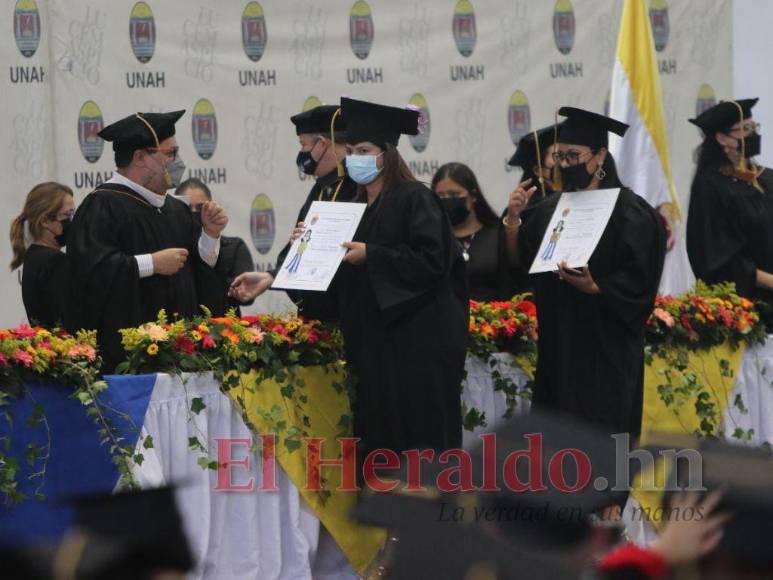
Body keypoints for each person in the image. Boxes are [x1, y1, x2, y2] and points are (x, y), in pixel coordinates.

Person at [233, 97, 468, 462]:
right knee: (381, 452)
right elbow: (336, 276)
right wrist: (293, 259)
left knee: (419, 452)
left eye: (364, 150)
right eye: (352, 149)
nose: (354, 157)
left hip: (416, 354)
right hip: (373, 353)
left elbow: (432, 262)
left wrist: (372, 255)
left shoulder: (414, 198)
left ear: (386, 153)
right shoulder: (353, 208)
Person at [505, 106, 666, 439]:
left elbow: (641, 280)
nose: (566, 164)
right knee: (558, 442)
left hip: (607, 348)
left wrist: (598, 287)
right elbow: (520, 260)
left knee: (603, 441)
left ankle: (608, 492)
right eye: (560, 157)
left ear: (600, 156)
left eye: (574, 155)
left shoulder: (632, 213)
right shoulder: (550, 208)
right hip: (560, 346)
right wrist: (514, 220)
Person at [66, 110, 228, 371]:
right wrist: (150, 264)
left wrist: (210, 235)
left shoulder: (177, 210)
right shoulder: (102, 206)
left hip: (182, 360)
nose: (177, 162)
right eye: (170, 154)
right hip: (130, 365)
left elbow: (199, 276)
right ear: (140, 157)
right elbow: (89, 275)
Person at [243, 105, 359, 321]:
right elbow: (300, 246)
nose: (302, 152)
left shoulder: (360, 187)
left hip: (352, 314)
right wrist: (270, 276)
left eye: (304, 144)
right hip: (320, 318)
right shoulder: (321, 188)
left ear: (322, 144)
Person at [686, 98, 773, 321]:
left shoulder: (766, 178)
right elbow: (719, 259)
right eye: (745, 129)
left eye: (754, 128)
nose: (753, 135)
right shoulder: (711, 188)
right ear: (722, 138)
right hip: (748, 309)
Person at [431, 162, 520, 301]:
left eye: (454, 194)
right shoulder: (432, 239)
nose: (447, 200)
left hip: (494, 318)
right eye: (440, 196)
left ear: (473, 196)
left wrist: (513, 219)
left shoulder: (497, 234)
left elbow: (516, 268)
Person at [175, 177, 255, 316]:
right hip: (179, 331)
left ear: (211, 207)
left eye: (201, 208)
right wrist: (227, 285)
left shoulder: (234, 247)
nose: (194, 213)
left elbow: (247, 295)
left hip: (226, 332)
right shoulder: (170, 250)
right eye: (187, 208)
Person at [9, 182, 75, 327]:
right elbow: (66, 316)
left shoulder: (34, 254)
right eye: (67, 214)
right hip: (64, 346)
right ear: (45, 220)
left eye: (73, 213)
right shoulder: (54, 260)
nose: (73, 220)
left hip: (49, 345)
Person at [508, 123, 563, 200]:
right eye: (557, 156)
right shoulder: (528, 207)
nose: (565, 162)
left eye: (569, 155)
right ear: (538, 170)